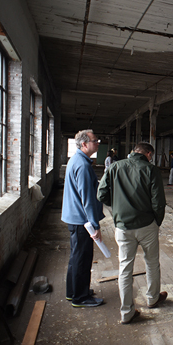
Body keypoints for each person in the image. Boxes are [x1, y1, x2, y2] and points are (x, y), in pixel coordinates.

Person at [97, 142, 167, 324]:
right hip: (146, 225)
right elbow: (159, 202)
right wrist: (156, 222)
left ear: (133, 152)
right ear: (148, 154)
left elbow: (101, 195)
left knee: (125, 268)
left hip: (122, 226)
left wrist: (119, 208)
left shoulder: (114, 167)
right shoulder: (151, 170)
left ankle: (127, 312)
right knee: (152, 263)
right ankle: (152, 299)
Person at [61, 129, 105, 308]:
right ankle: (81, 297)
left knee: (76, 256)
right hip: (82, 221)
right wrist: (94, 225)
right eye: (95, 140)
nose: (98, 143)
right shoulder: (83, 165)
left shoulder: (77, 160)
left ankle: (73, 292)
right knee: (82, 258)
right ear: (84, 144)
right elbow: (87, 198)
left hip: (74, 217)